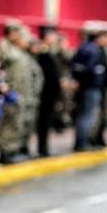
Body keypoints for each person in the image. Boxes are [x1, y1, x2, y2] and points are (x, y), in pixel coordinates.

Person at [0, 22, 42, 164]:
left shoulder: (23, 54)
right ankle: (6, 152)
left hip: (24, 95)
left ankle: (15, 149)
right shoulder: (5, 47)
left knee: (20, 123)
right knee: (10, 123)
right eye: (21, 35)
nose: (26, 40)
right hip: (12, 94)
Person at [71, 25, 107, 151]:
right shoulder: (94, 50)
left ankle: (81, 142)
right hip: (92, 87)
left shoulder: (82, 48)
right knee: (88, 115)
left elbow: (76, 67)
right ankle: (83, 143)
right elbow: (91, 70)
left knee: (83, 115)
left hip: (84, 87)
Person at [33, 28, 64, 156]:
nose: (55, 39)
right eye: (53, 36)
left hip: (51, 92)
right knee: (44, 121)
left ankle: (44, 147)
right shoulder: (43, 52)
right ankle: (42, 148)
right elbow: (48, 74)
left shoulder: (50, 51)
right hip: (46, 92)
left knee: (47, 121)